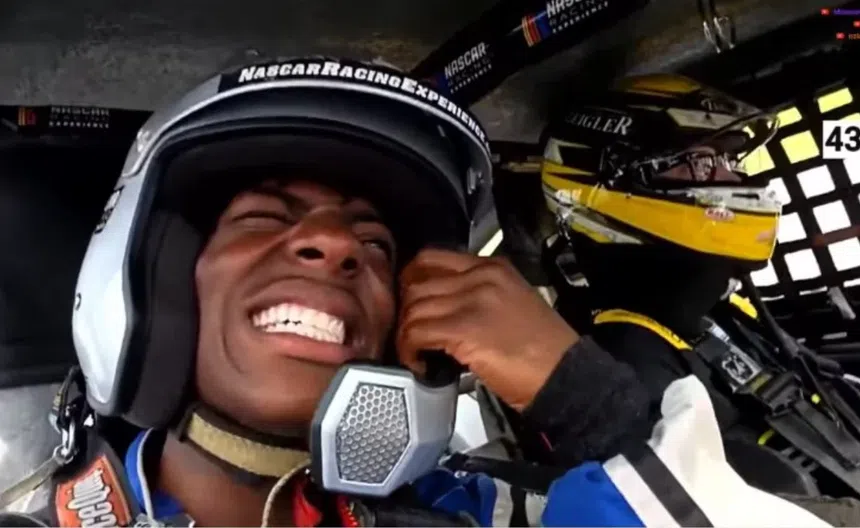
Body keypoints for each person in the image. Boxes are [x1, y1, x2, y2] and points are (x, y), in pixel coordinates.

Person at [0, 59, 830, 527]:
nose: (335, 247)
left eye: (375, 245)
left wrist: (587, 402)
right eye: (264, 217)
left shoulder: (487, 514)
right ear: (157, 283)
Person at [486, 72, 860, 519]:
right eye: (702, 163)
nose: (732, 177)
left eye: (728, 161)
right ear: (619, 183)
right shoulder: (627, 371)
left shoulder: (713, 316)